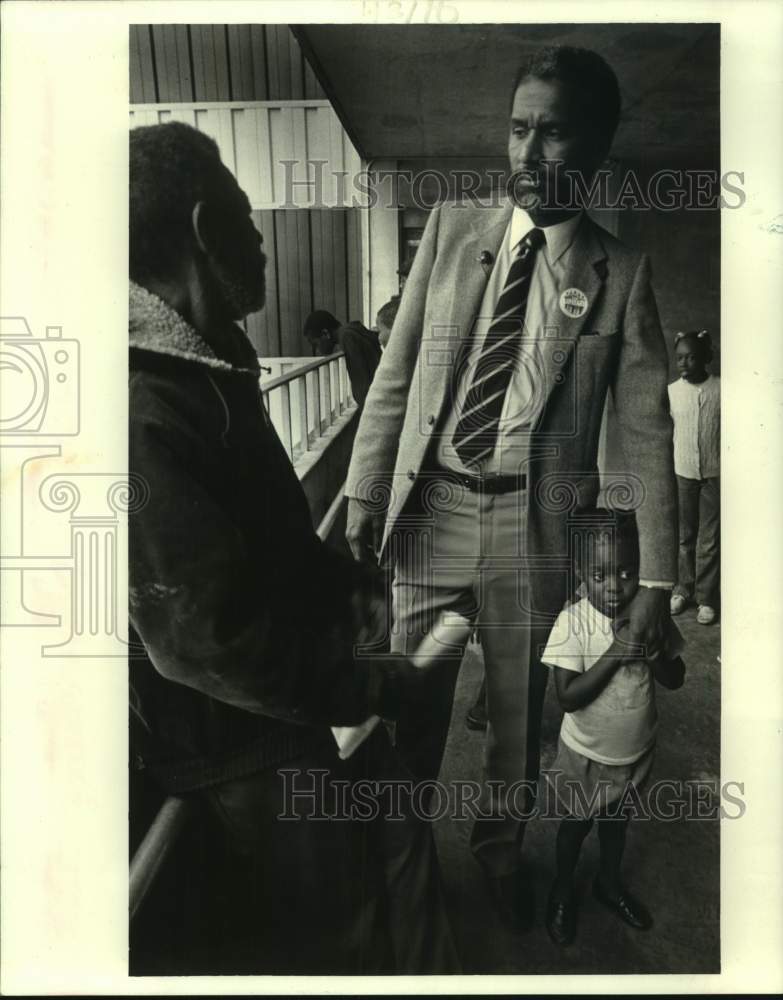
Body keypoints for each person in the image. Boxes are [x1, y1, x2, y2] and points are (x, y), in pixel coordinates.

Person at [345, 45, 677, 933]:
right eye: (517, 128)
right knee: (401, 701)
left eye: (554, 133)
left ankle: (497, 858)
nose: (527, 155)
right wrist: (363, 490)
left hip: (530, 527)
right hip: (431, 511)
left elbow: (647, 431)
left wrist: (656, 583)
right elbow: (395, 371)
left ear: (598, 147)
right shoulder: (453, 230)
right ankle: (399, 862)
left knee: (514, 718)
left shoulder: (620, 275)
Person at [129, 121, 458, 974]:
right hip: (241, 746)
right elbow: (205, 642)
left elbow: (270, 532)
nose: (262, 233)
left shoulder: (213, 364)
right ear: (206, 230)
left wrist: (343, 584)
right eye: (246, 212)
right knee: (336, 926)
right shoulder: (142, 405)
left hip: (294, 705)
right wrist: (364, 683)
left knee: (392, 850)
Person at [541, 507, 685, 946]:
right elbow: (567, 696)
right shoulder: (574, 622)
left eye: (627, 572)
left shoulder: (648, 613)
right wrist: (619, 650)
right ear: (581, 573)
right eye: (600, 575)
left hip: (634, 751)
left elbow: (675, 678)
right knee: (575, 826)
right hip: (586, 755)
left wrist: (653, 648)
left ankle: (607, 882)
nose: (616, 586)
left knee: (616, 824)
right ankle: (562, 889)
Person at [667, 330, 720, 624]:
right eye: (679, 358)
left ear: (704, 358)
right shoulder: (672, 392)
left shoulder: (721, 389)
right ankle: (682, 589)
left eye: (690, 357)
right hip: (683, 473)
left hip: (714, 474)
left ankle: (706, 598)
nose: (684, 363)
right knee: (685, 535)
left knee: (709, 539)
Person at [303, 309, 381, 407]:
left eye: (316, 344)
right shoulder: (352, 331)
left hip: (375, 404)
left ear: (325, 334)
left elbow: (362, 383)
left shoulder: (347, 337)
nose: (317, 350)